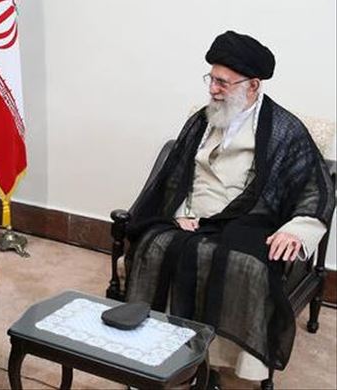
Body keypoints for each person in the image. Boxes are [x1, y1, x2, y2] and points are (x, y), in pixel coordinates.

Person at [124, 31, 335, 387]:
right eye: (211, 79)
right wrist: (179, 212)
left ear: (253, 86)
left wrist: (295, 231)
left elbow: (314, 186)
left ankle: (220, 364)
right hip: (192, 218)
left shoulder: (284, 129)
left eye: (222, 82)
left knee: (244, 265)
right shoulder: (202, 120)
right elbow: (176, 175)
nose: (213, 89)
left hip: (248, 220)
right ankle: (159, 349)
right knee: (156, 244)